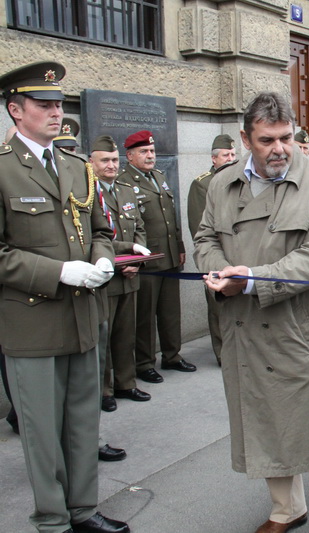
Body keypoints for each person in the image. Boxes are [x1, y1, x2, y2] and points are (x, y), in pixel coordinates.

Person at [194, 91, 309, 533]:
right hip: (244, 325)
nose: (279, 149)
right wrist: (217, 273)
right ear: (247, 139)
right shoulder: (221, 184)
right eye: (267, 140)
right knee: (262, 418)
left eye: (286, 137)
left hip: (300, 326)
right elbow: (205, 239)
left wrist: (248, 280)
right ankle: (285, 510)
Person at [0, 61, 129, 533]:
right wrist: (58, 272)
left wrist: (101, 260)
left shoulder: (76, 166)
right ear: (16, 110)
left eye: (59, 104)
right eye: (44, 104)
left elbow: (99, 229)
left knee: (82, 423)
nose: (57, 112)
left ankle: (84, 510)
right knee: (42, 434)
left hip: (82, 315)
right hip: (32, 323)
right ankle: (52, 520)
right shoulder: (2, 169)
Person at [117, 130, 194, 384]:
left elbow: (171, 215)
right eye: (144, 152)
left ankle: (172, 355)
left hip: (170, 255)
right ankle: (144, 363)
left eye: (151, 151)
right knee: (145, 316)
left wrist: (180, 246)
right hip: (148, 261)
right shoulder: (124, 182)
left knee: (171, 311)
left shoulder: (159, 177)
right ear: (130, 156)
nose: (150, 156)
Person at [90, 135, 152, 411]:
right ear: (91, 162)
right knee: (103, 338)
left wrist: (136, 262)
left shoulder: (126, 190)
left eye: (114, 160)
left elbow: (139, 228)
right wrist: (119, 261)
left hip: (130, 275)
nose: (111, 165)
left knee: (126, 333)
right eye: (105, 160)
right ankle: (103, 391)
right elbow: (94, 237)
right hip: (105, 279)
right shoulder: (87, 192)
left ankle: (126, 383)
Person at [187, 133, 237, 366]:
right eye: (226, 155)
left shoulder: (239, 179)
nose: (231, 158)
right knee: (218, 304)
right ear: (214, 159)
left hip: (239, 253)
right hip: (217, 254)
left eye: (234, 154)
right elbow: (200, 227)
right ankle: (223, 352)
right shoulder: (202, 184)